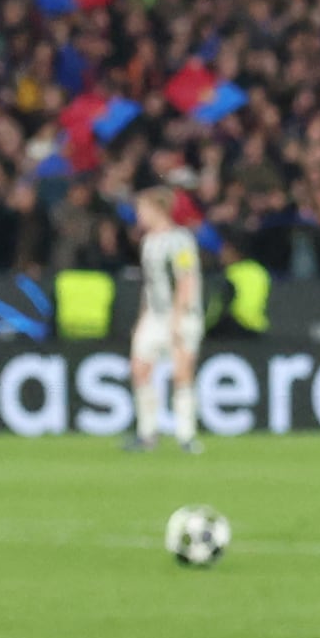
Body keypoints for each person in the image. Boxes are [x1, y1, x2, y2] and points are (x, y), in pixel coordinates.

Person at [127, 183, 208, 453]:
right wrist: (142, 317)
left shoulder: (180, 240)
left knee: (182, 372)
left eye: (142, 209)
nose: (138, 215)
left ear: (157, 209)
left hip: (182, 315)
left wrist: (178, 317)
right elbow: (150, 285)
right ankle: (147, 433)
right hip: (155, 314)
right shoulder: (148, 242)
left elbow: (186, 279)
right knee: (139, 368)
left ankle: (186, 435)